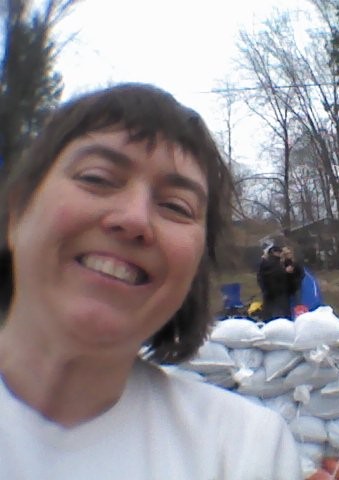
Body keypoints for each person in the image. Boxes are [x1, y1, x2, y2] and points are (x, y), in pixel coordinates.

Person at [0, 83, 303, 479]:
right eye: (97, 178)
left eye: (176, 206)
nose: (135, 218)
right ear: (15, 212)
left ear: (195, 269)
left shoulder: (245, 452)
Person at [257, 245, 292, 320]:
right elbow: (273, 273)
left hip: (270, 289)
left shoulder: (272, 261)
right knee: (281, 308)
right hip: (275, 289)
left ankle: (267, 320)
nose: (280, 254)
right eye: (279, 252)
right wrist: (285, 271)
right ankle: (285, 320)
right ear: (273, 252)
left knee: (269, 309)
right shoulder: (271, 261)